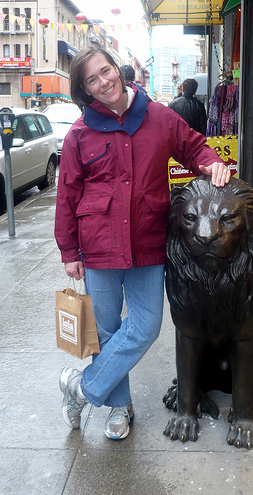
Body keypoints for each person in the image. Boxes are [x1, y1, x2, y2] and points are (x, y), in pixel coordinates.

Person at [54, 47, 231, 441]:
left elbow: (194, 147)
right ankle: (119, 407)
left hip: (148, 240)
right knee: (106, 331)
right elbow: (67, 194)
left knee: (146, 327)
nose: (104, 82)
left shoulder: (158, 117)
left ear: (119, 69)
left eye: (106, 71)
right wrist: (68, 251)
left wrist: (212, 162)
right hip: (98, 245)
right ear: (85, 91)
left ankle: (81, 388)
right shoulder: (79, 134)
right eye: (92, 80)